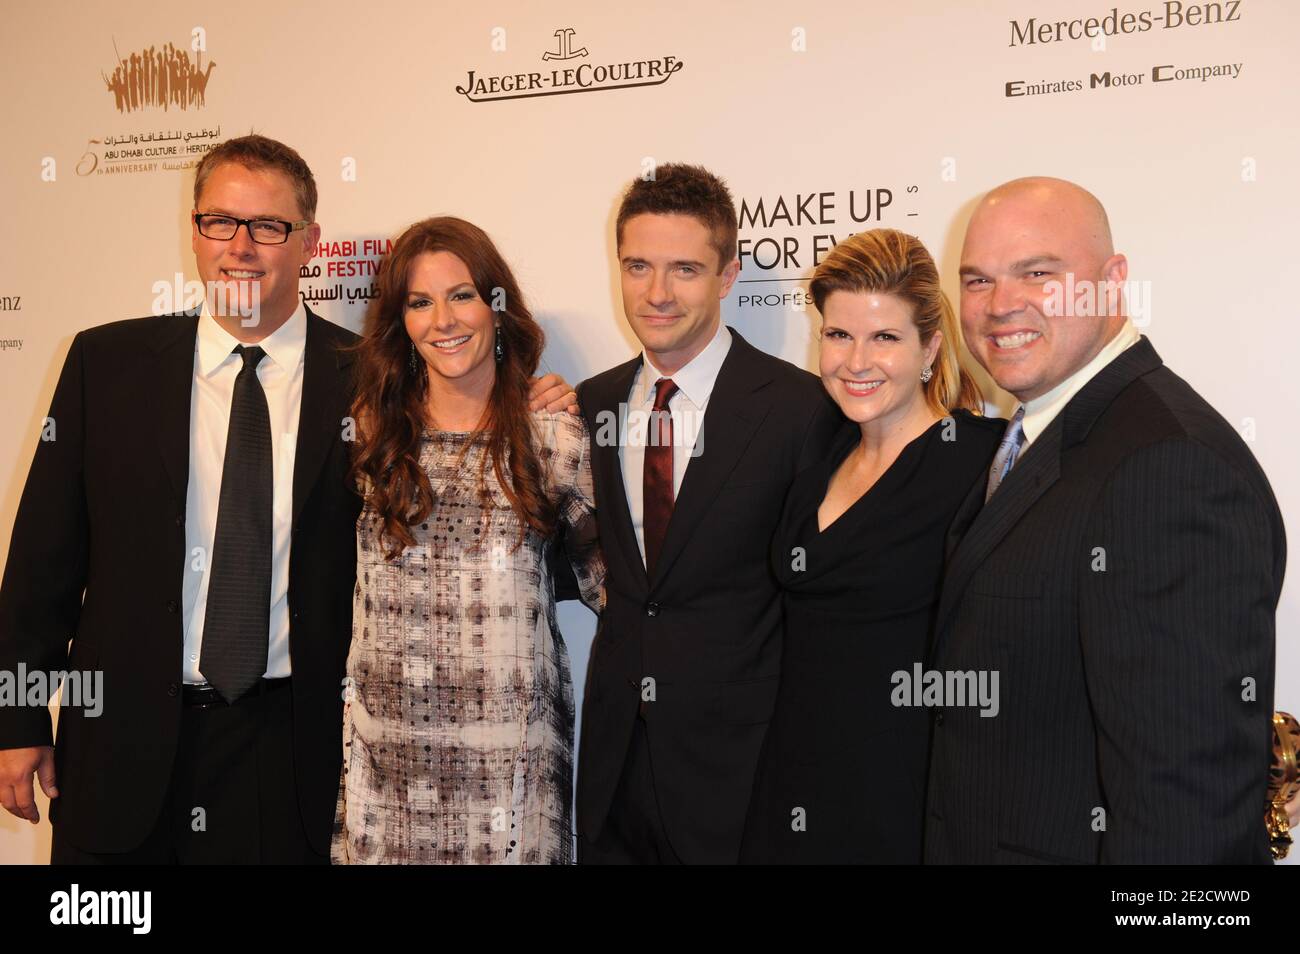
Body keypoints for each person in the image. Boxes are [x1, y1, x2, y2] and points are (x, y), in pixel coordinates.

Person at [0, 135, 576, 864]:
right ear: (195, 231)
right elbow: (42, 563)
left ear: (309, 242)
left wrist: (531, 400)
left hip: (293, 758)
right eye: (220, 221)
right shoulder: (105, 365)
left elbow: (475, 451)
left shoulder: (376, 387)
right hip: (121, 748)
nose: (240, 246)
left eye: (268, 227)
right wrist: (17, 718)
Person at [925, 176, 1285, 864]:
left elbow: (1186, 812)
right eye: (977, 280)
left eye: (1038, 273)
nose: (1000, 305)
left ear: (1113, 281)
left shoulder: (1169, 465)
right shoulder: (1041, 431)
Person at [572, 163, 841, 864]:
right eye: (638, 266)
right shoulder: (590, 404)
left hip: (741, 776)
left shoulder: (802, 409)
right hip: (614, 774)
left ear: (728, 277)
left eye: (685, 269)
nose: (657, 293)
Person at [332, 217, 604, 865]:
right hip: (384, 768)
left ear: (497, 305)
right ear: (401, 322)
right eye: (419, 303)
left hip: (509, 778)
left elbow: (615, 590)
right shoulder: (369, 437)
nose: (443, 321)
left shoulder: (551, 439)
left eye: (462, 295)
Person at [739, 229, 1001, 863]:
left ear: (929, 347)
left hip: (907, 799)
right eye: (838, 334)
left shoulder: (983, 463)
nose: (856, 361)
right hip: (793, 787)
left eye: (884, 338)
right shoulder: (819, 457)